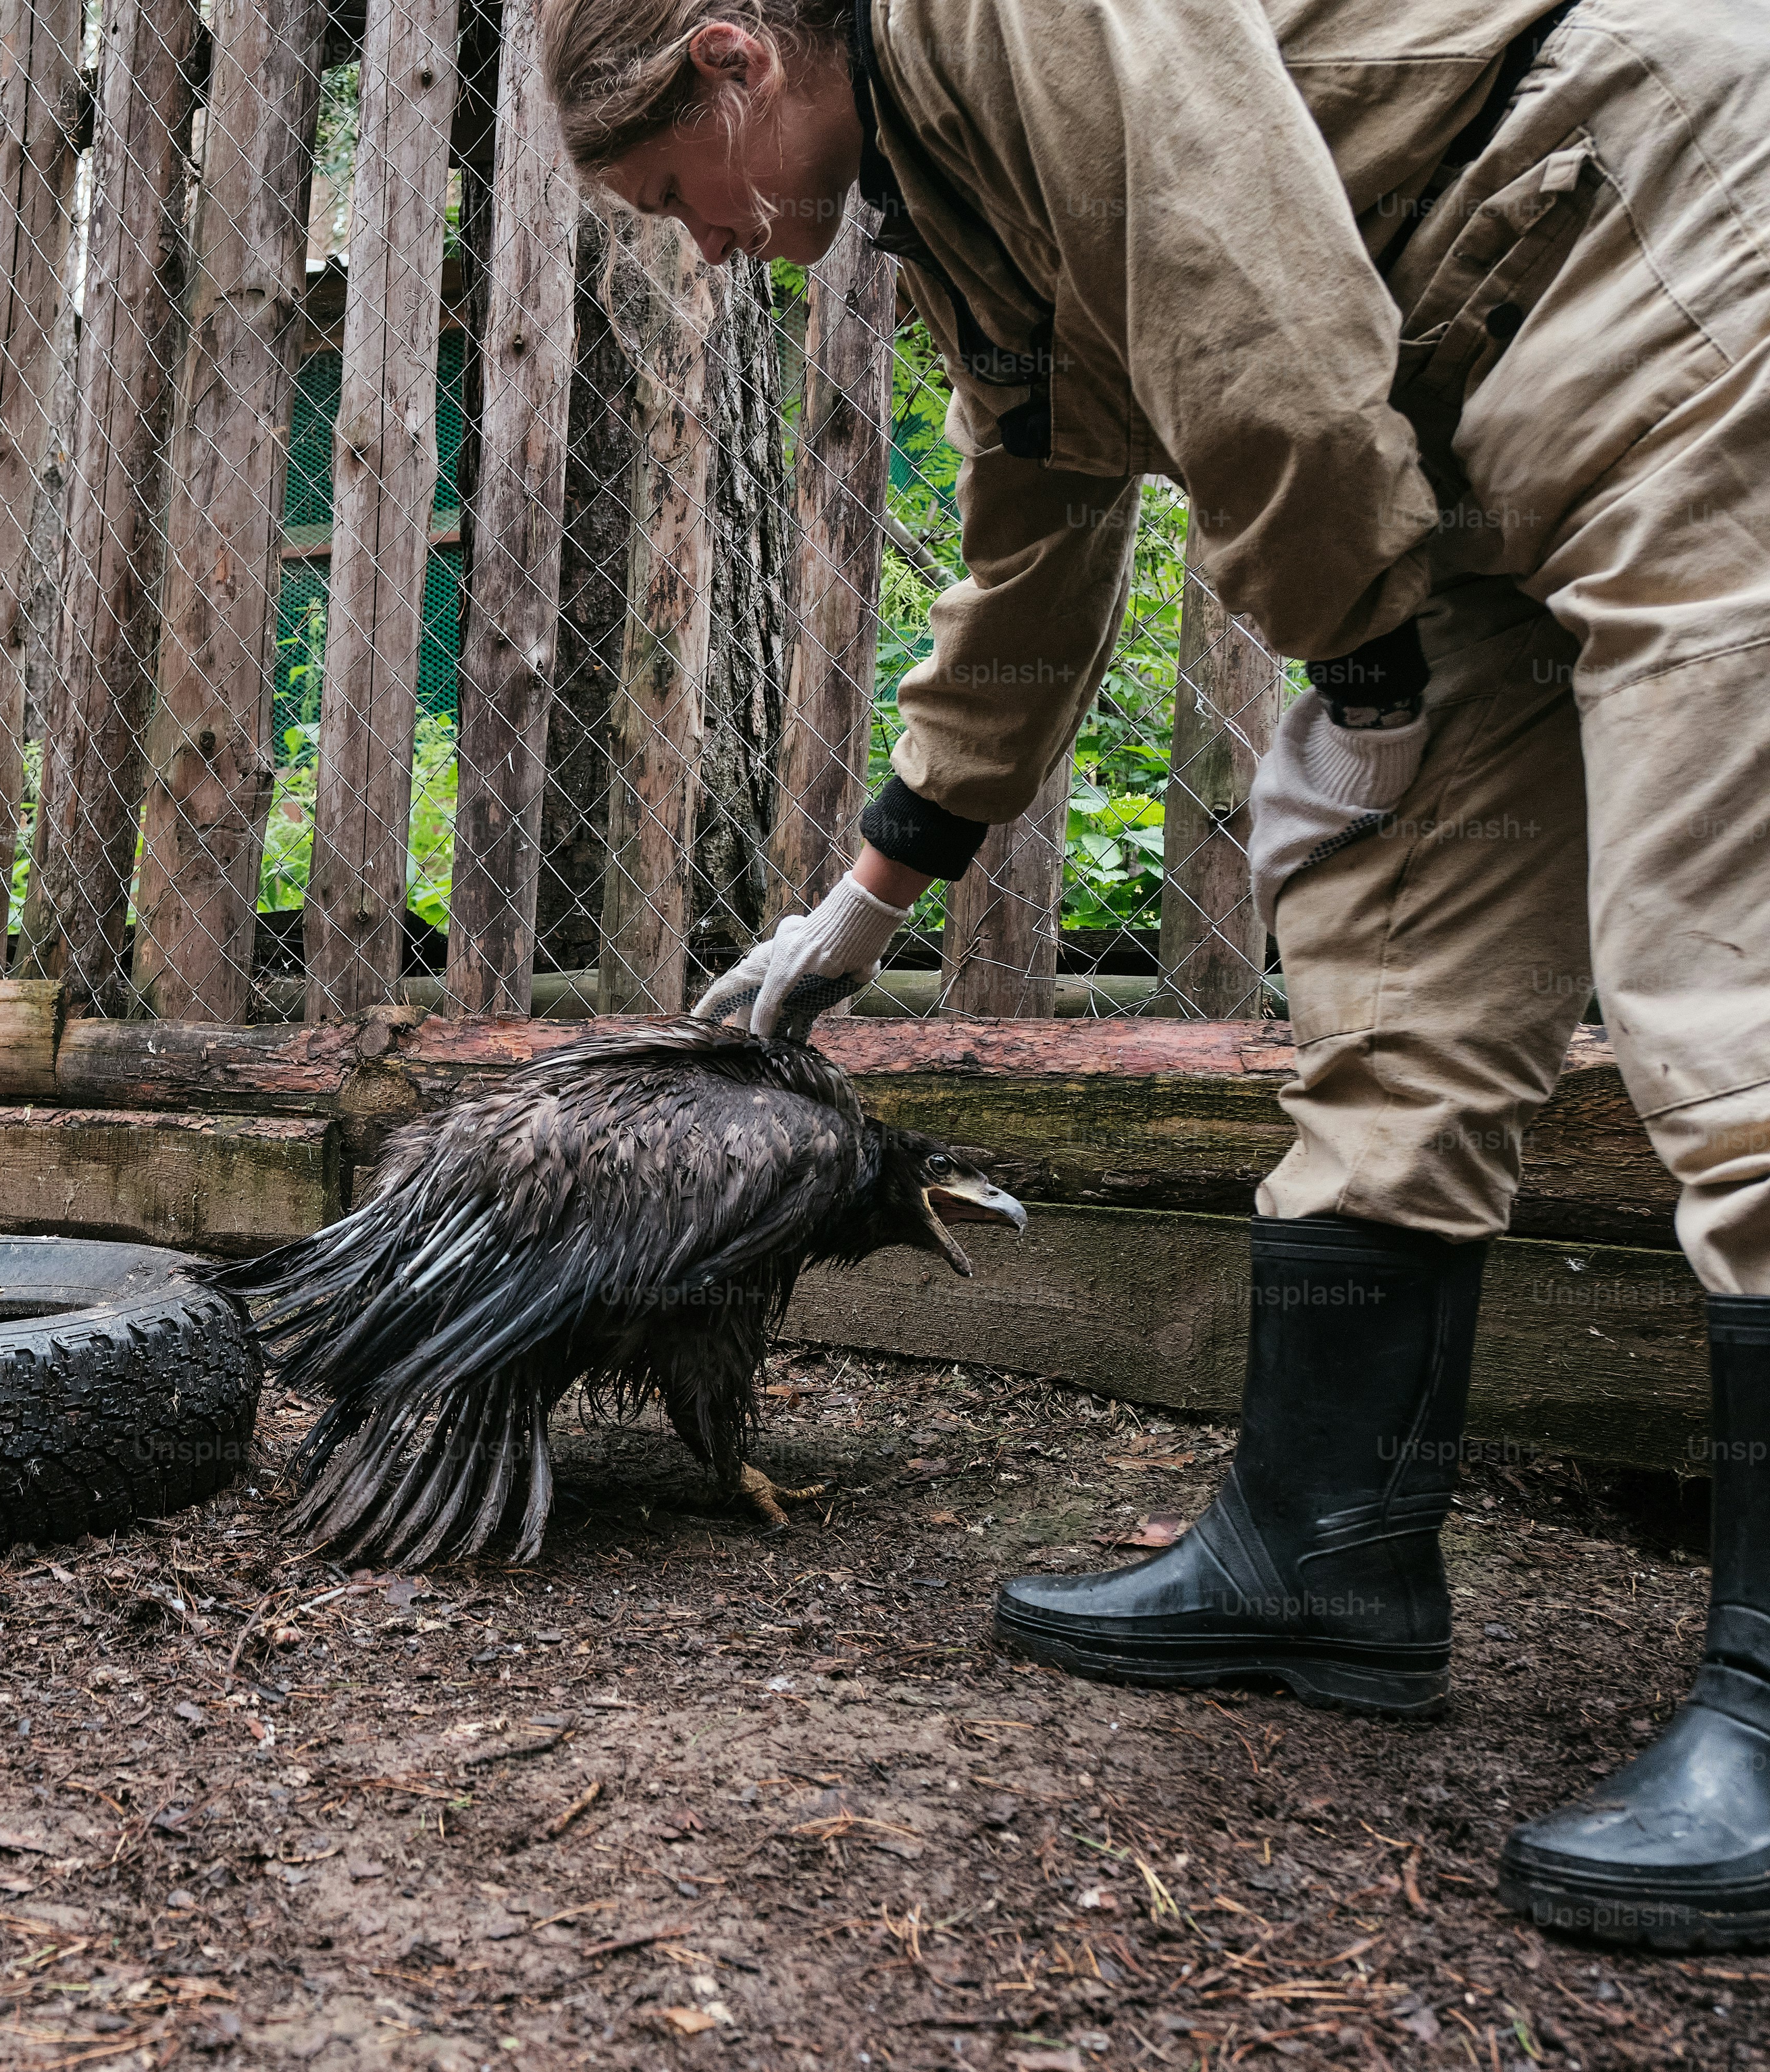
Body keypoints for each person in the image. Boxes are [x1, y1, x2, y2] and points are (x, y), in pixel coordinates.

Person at [541, 0, 1770, 1950]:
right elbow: (1041, 520)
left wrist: (1359, 657)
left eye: (671, 195)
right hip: (1451, 400)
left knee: (1732, 989)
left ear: (729, 64)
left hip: (1657, 258)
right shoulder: (934, 166)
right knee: (1393, 984)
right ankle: (1324, 1557)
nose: (702, 243)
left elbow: (1246, 295)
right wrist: (876, 891)